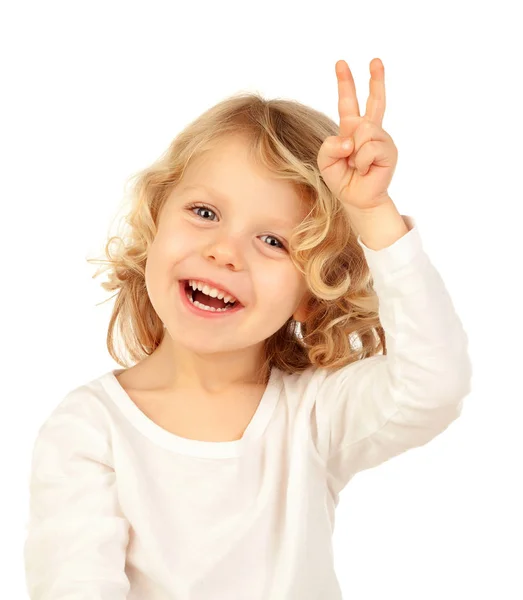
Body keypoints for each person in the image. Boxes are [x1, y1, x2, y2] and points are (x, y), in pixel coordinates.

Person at [23, 58, 472, 599]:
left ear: (313, 293)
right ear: (156, 220)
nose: (224, 252)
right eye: (205, 213)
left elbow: (435, 386)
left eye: (273, 241)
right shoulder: (89, 431)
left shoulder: (313, 416)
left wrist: (373, 215)